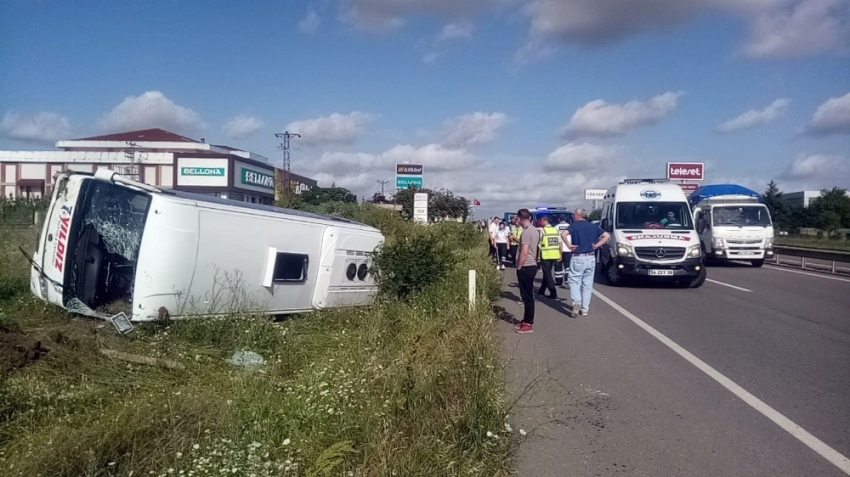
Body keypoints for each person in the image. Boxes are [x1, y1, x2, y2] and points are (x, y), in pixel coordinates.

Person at [567, 208, 610, 317]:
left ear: (578, 215)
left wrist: (568, 245)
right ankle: (585, 309)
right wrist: (597, 245)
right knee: (587, 284)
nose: (573, 216)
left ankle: (577, 302)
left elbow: (563, 234)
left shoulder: (574, 226)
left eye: (574, 215)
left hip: (578, 257)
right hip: (590, 257)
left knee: (574, 281)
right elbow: (607, 236)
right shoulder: (593, 226)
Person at [515, 209, 540, 334]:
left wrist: (519, 267)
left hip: (526, 266)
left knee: (527, 296)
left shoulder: (526, 233)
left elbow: (524, 252)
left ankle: (528, 323)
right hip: (532, 265)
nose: (515, 221)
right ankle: (526, 320)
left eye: (516, 218)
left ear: (520, 218)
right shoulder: (535, 230)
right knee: (528, 295)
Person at [537, 215, 560, 299]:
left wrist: (537, 256)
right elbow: (560, 243)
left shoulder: (543, 231)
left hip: (546, 255)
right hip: (555, 254)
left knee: (547, 274)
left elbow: (538, 243)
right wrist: (560, 254)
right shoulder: (555, 230)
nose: (540, 222)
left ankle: (553, 292)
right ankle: (541, 290)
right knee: (546, 274)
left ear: (545, 220)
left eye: (541, 220)